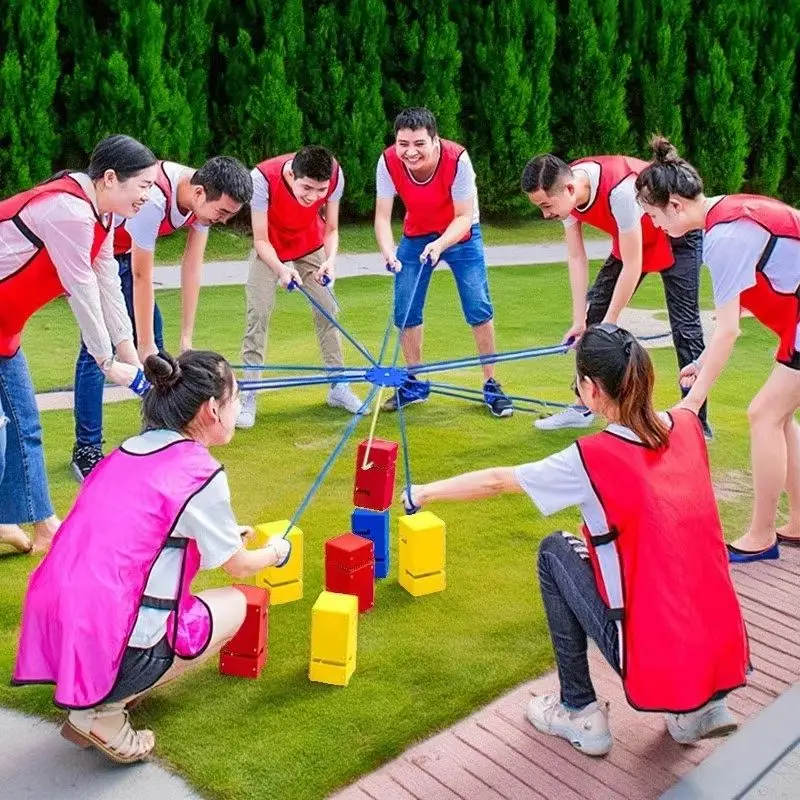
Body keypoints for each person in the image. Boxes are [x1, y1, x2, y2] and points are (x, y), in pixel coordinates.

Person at [401, 324, 748, 756]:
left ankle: (579, 709)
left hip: (649, 648)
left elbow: (497, 481)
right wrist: (712, 349)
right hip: (717, 642)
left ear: (591, 389)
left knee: (554, 551)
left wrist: (423, 493)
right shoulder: (686, 425)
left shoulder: (591, 458)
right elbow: (714, 361)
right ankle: (696, 706)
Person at [13, 349, 292, 764]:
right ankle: (104, 710)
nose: (237, 407)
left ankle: (92, 700)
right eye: (235, 397)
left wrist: (223, 535)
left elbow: (139, 529)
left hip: (58, 630)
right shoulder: (200, 471)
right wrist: (277, 552)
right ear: (212, 409)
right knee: (235, 605)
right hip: (119, 645)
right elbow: (240, 565)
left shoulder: (127, 450)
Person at [636, 137, 800, 563]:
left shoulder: (723, 238)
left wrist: (692, 403)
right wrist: (701, 362)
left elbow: (728, 331)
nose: (655, 226)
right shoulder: (727, 210)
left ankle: (762, 536)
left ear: (675, 204)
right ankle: (797, 521)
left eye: (654, 215)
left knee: (764, 414)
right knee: (779, 416)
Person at [0, 135, 158, 555]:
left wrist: (132, 355)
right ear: (110, 178)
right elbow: (81, 289)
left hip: (4, 331)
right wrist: (106, 362)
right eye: (143, 184)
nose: (149, 194)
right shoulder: (69, 211)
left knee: (24, 426)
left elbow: (107, 281)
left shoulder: (103, 217)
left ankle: (41, 522)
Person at [70, 155, 253, 480]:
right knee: (97, 351)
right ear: (199, 193)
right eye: (222, 212)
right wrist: (144, 344)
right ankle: (86, 449)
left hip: (121, 260)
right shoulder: (155, 197)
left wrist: (186, 337)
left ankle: (158, 437)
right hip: (97, 258)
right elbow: (142, 275)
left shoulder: (200, 206)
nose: (223, 220)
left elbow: (192, 267)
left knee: (157, 355)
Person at [521, 153, 711, 439]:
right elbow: (576, 257)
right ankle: (583, 406)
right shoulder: (566, 188)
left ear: (569, 190)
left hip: (677, 235)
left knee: (685, 329)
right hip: (634, 239)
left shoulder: (621, 192)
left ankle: (696, 420)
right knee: (592, 319)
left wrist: (609, 326)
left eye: (547, 206)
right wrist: (579, 320)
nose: (545, 214)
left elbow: (633, 267)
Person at [374, 107, 513, 418]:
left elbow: (464, 217)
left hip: (461, 234)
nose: (410, 152)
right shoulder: (387, 161)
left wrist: (439, 245)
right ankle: (415, 382)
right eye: (403, 143)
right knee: (405, 309)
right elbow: (382, 217)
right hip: (416, 233)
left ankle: (491, 383)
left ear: (435, 140)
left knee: (478, 306)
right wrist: (389, 251)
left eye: (419, 144)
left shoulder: (458, 159)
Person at [236, 145, 363, 429]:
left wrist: (330, 261)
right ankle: (249, 396)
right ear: (292, 174)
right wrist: (282, 269)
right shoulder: (261, 178)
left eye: (321, 191)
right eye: (307, 188)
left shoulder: (336, 176)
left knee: (328, 310)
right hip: (269, 247)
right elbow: (259, 239)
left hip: (310, 243)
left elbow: (331, 229)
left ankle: (338, 387)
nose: (314, 197)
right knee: (258, 313)